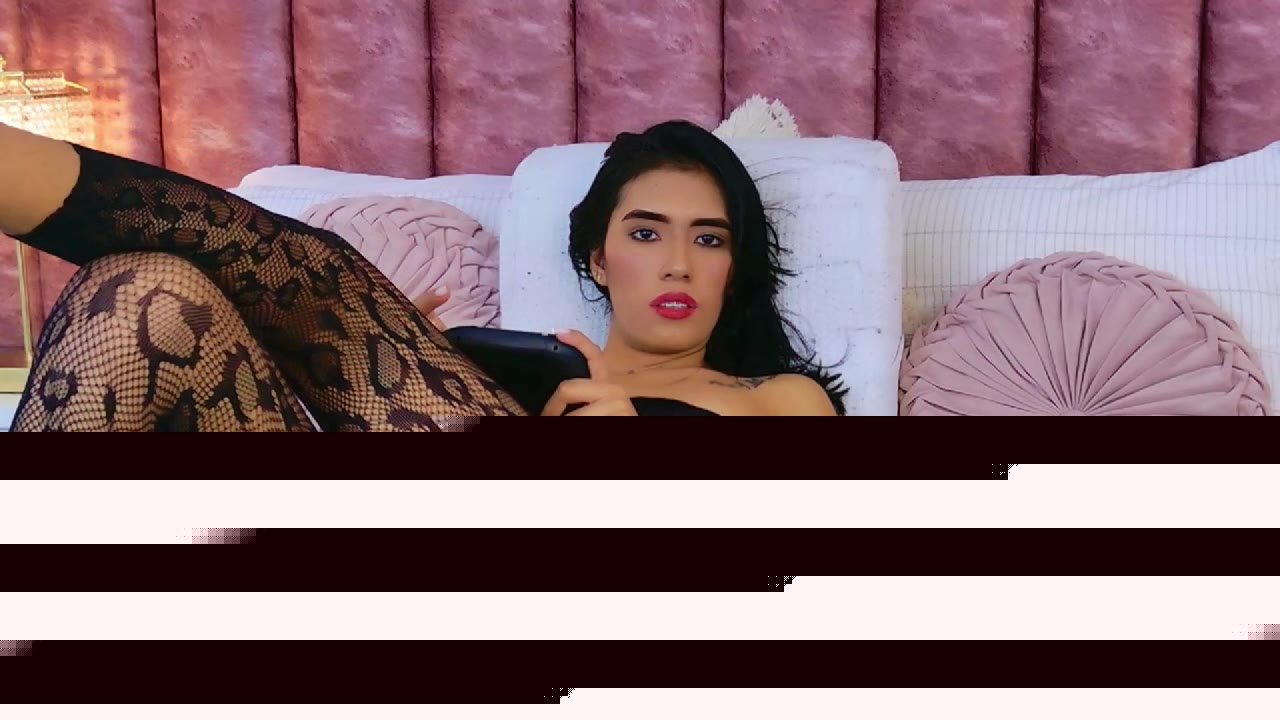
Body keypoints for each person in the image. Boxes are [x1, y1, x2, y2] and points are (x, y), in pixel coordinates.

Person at [0, 118, 846, 431]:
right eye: (647, 231)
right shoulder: (511, 369)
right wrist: (385, 366)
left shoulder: (779, 398)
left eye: (709, 239)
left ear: (735, 266)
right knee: (149, 291)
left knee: (323, 285)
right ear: (598, 257)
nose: (677, 262)